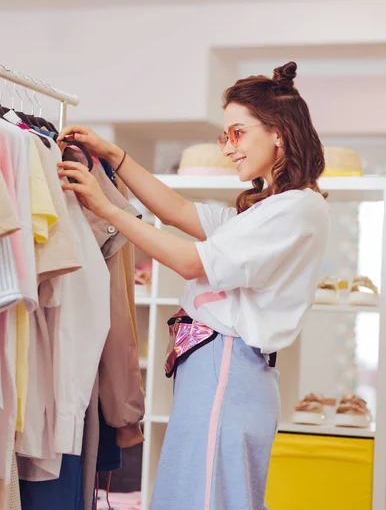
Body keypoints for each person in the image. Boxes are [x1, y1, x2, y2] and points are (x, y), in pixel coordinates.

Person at [57, 61, 330, 510]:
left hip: (226, 365)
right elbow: (179, 211)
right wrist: (115, 157)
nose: (229, 149)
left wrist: (106, 209)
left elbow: (188, 261)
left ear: (278, 131)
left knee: (204, 499)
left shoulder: (295, 209)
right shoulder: (270, 209)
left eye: (238, 133)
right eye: (227, 137)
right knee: (203, 495)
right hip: (220, 365)